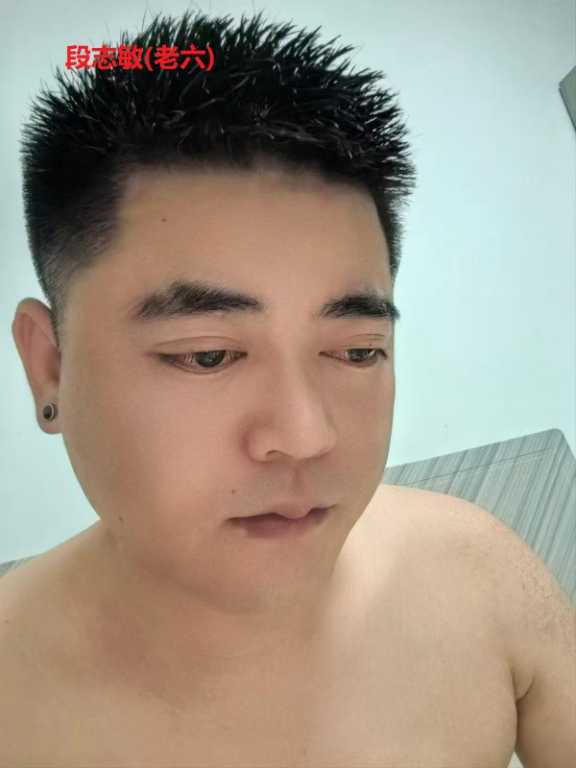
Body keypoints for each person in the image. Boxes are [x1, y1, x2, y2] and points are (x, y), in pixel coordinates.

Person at [1, 10, 574, 767]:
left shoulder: (480, 572)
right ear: (50, 366)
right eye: (208, 355)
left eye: (358, 351)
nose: (307, 435)